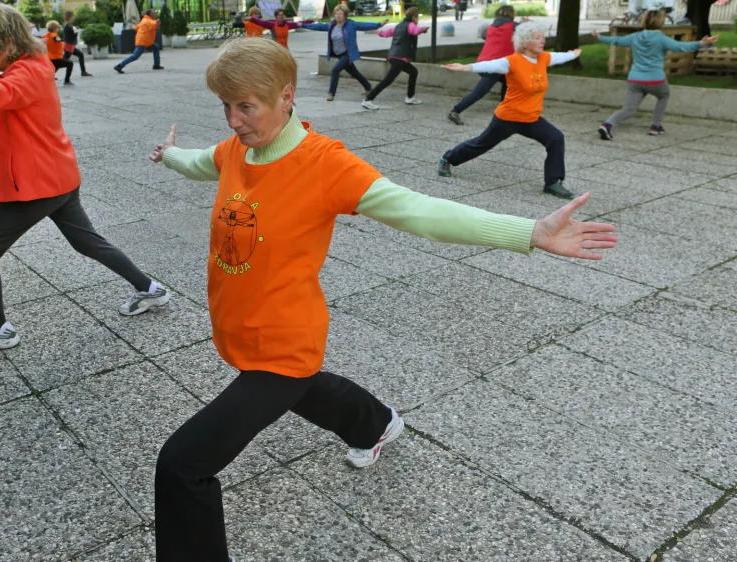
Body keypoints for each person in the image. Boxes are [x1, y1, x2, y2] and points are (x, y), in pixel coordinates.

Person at [147, 38, 618, 562]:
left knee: (182, 466)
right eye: (226, 107)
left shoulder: (324, 164)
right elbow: (200, 161)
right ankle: (375, 423)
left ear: (285, 97)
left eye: (245, 106)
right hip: (241, 330)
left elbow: (418, 210)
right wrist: (169, 155)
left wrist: (527, 231)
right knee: (310, 392)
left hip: (282, 345)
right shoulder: (239, 150)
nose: (234, 121)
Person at [0, 5, 171, 353]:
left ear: (5, 42)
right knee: (87, 242)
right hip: (58, 177)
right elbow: (5, 94)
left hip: (38, 186)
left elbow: (1, 95)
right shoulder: (33, 66)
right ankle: (150, 289)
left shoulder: (26, 73)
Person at [438, 21, 581, 200]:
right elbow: (489, 65)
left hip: (531, 118)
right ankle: (447, 159)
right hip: (508, 117)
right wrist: (465, 67)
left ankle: (553, 182)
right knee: (480, 144)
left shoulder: (544, 58)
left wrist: (572, 54)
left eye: (542, 37)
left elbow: (559, 56)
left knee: (556, 138)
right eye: (537, 38)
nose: (542, 41)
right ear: (525, 41)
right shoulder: (512, 61)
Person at [593, 10, 718, 139]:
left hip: (635, 80)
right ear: (661, 22)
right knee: (664, 96)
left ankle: (607, 124)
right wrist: (701, 43)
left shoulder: (635, 37)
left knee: (629, 108)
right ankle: (655, 126)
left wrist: (599, 37)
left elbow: (617, 40)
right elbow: (680, 47)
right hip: (655, 80)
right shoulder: (662, 38)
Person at [448, 5, 525, 125]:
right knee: (479, 92)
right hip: (494, 66)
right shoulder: (514, 26)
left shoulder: (490, 27)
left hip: (483, 63)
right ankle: (455, 111)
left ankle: (506, 109)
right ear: (511, 14)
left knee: (509, 81)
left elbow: (484, 35)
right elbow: (528, 32)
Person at [302, 6, 388, 101]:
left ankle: (331, 93)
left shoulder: (350, 24)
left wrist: (378, 24)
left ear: (345, 15)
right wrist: (303, 25)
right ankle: (368, 88)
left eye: (340, 14)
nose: (338, 16)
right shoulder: (332, 25)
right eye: (336, 14)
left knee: (335, 70)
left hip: (347, 54)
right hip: (339, 54)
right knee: (354, 72)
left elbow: (364, 25)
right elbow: (319, 26)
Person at [362, 6, 428, 109]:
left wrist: (378, 32)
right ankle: (368, 99)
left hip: (395, 56)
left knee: (413, 72)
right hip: (399, 58)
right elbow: (414, 30)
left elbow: (386, 33)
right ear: (414, 17)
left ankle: (410, 97)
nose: (418, 20)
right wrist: (422, 29)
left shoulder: (399, 26)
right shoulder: (410, 25)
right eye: (417, 17)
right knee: (387, 81)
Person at [114, 9, 165, 73]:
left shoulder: (144, 20)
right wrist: (156, 22)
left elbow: (137, 27)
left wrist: (134, 27)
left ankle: (156, 65)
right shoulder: (147, 21)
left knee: (156, 47)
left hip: (147, 42)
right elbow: (152, 24)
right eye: (154, 13)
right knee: (135, 56)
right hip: (143, 42)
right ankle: (119, 66)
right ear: (150, 14)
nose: (155, 14)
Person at [246, 9, 314, 48]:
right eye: (279, 15)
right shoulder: (272, 25)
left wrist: (310, 21)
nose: (281, 16)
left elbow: (299, 23)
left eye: (282, 15)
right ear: (276, 16)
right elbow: (261, 22)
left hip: (285, 49)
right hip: (276, 49)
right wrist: (252, 19)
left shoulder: (288, 25)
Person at [41, 20, 73, 85]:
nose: (58, 29)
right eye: (58, 28)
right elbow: (56, 39)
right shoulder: (54, 35)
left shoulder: (46, 35)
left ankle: (48, 78)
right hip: (56, 57)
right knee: (70, 63)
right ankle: (67, 80)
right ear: (55, 28)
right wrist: (63, 39)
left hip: (50, 57)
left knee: (55, 67)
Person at [62, 11, 92, 78]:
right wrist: (76, 31)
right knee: (63, 61)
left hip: (70, 45)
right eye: (72, 16)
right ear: (70, 16)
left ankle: (83, 71)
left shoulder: (68, 25)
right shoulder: (68, 26)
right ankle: (52, 73)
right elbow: (73, 34)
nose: (73, 17)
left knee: (80, 55)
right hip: (69, 45)